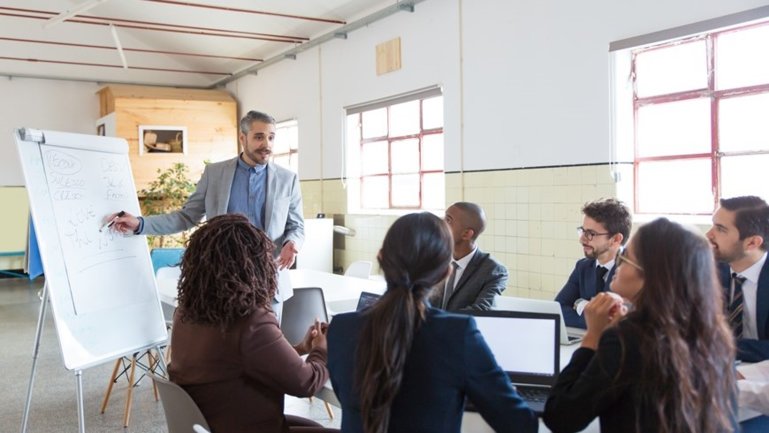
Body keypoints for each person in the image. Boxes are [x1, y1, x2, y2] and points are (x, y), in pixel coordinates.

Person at [327, 212, 537, 433]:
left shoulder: (340, 329)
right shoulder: (458, 334)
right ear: (446, 272)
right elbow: (519, 424)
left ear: (381, 257)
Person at [543, 218, 737, 433]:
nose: (617, 264)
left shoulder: (626, 339)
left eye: (624, 258)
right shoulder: (714, 334)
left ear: (651, 276)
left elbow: (560, 417)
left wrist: (593, 337)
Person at [168, 214, 335, 433]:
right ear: (254, 265)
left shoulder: (186, 312)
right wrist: (323, 350)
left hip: (215, 422)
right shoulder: (249, 320)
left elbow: (244, 361)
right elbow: (306, 383)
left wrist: (302, 349)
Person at [110, 110, 304, 270]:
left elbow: (296, 226)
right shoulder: (215, 173)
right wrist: (140, 224)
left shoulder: (288, 179)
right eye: (259, 137)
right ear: (242, 138)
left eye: (271, 137)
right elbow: (186, 217)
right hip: (223, 276)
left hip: (270, 278)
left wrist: (291, 243)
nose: (267, 145)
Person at [707, 196, 769, 362]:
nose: (708, 235)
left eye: (720, 229)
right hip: (716, 370)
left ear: (752, 243)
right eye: (713, 225)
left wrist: (719, 345)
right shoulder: (708, 270)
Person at [555, 198, 631, 328]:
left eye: (591, 234)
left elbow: (619, 324)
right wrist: (594, 320)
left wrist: (580, 305)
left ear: (616, 239)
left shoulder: (631, 270)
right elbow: (558, 309)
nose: (582, 239)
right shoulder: (583, 266)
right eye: (583, 231)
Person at [428, 202, 508, 311]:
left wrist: (441, 322)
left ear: (466, 234)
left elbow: (480, 311)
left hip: (462, 327)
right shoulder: (434, 259)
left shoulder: (494, 271)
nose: (440, 224)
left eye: (448, 220)